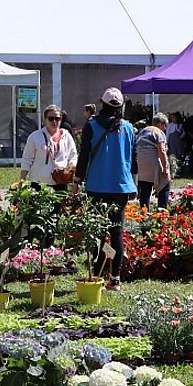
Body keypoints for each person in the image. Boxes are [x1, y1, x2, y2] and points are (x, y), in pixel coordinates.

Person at [76, 88, 136, 290]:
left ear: (101, 103)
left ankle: (98, 273)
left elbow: (84, 156)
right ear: (120, 106)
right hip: (121, 186)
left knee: (98, 231)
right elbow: (132, 159)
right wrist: (132, 183)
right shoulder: (128, 128)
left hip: (97, 186)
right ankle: (116, 278)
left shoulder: (91, 126)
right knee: (117, 231)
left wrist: (77, 179)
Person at [19, 104, 78, 189]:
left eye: (57, 119)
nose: (54, 122)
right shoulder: (35, 137)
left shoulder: (66, 136)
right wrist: (22, 181)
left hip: (60, 182)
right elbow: (27, 159)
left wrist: (71, 166)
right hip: (39, 183)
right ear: (45, 119)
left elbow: (73, 155)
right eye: (51, 119)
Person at [135, 113, 172, 209]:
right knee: (165, 185)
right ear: (160, 123)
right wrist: (165, 168)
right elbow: (162, 151)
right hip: (153, 161)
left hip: (141, 163)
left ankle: (144, 214)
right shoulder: (158, 132)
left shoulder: (142, 132)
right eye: (165, 125)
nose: (165, 128)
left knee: (145, 189)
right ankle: (162, 212)